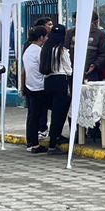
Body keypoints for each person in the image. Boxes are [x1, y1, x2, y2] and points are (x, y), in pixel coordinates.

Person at [41, 25, 73, 155]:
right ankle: (53, 143)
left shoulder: (45, 49)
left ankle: (54, 138)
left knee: (55, 113)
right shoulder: (62, 50)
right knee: (59, 115)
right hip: (60, 81)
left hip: (48, 82)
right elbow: (69, 70)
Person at [21, 22, 49, 153]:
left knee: (32, 115)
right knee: (36, 116)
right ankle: (35, 144)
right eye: (45, 36)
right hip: (39, 87)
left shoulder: (27, 51)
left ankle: (31, 142)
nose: (46, 38)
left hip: (30, 86)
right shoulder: (39, 51)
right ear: (41, 37)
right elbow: (45, 68)